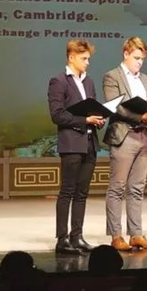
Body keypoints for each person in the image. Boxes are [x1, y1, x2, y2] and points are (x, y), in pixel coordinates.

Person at [47, 40, 104, 254]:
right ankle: (62, 239)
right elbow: (57, 115)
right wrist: (84, 120)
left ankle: (77, 236)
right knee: (67, 192)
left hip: (89, 143)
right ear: (71, 57)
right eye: (84, 58)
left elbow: (92, 108)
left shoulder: (88, 82)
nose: (87, 62)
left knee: (82, 193)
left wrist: (98, 119)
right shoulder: (59, 81)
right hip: (71, 144)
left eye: (88, 58)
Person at [103, 36, 147, 251]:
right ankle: (116, 236)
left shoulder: (144, 78)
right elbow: (115, 107)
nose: (139, 62)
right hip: (124, 135)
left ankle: (136, 234)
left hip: (144, 136)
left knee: (137, 187)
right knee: (117, 187)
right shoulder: (112, 76)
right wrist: (139, 117)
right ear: (125, 54)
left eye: (142, 59)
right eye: (136, 58)